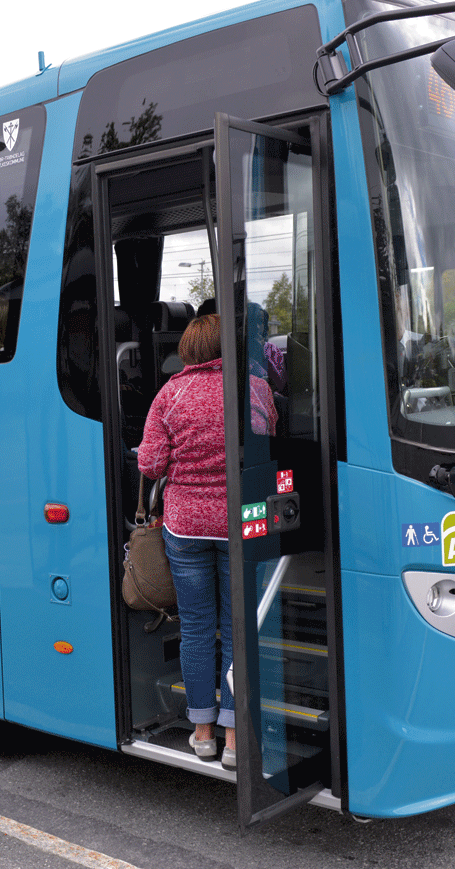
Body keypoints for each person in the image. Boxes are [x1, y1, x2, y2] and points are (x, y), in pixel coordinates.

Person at [137, 314, 276, 770]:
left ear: (188, 350)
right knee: (239, 627)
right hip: (240, 524)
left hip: (187, 527)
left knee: (196, 628)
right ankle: (235, 738)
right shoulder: (254, 388)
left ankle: (201, 733)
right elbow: (270, 443)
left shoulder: (169, 394)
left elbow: (152, 464)